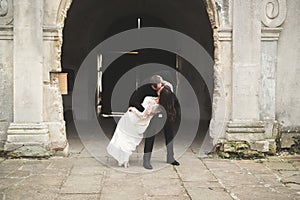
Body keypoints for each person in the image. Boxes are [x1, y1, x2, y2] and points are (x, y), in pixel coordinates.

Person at [106, 86, 171, 168]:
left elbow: (143, 115)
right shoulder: (156, 102)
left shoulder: (156, 106)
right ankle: (124, 159)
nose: (159, 88)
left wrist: (133, 109)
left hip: (134, 119)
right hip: (139, 122)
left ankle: (124, 159)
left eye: (160, 89)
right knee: (127, 138)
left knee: (126, 137)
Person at [143, 85, 180, 169]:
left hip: (168, 115)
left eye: (160, 92)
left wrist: (174, 116)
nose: (158, 92)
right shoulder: (152, 93)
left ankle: (170, 158)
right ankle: (146, 160)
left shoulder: (170, 95)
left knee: (169, 136)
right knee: (150, 136)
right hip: (155, 116)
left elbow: (177, 106)